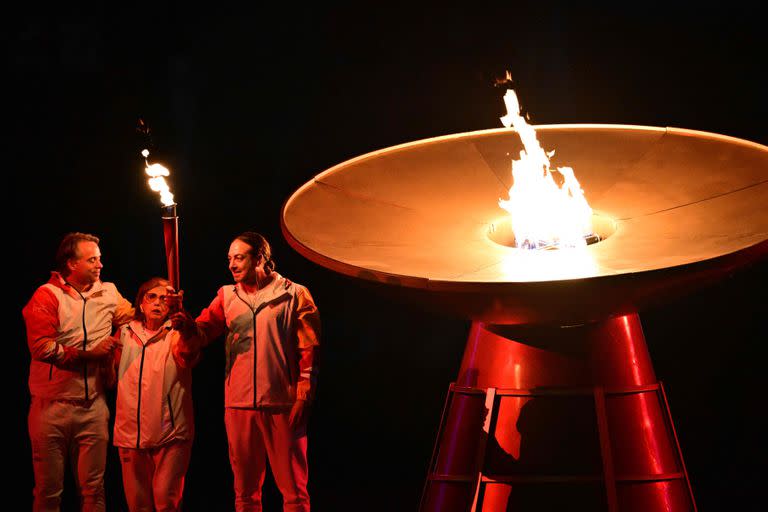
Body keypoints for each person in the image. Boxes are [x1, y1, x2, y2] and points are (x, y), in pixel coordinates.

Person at [173, 231, 320, 512]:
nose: (232, 264)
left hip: (282, 403)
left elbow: (309, 348)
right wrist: (188, 326)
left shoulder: (294, 293)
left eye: (239, 257)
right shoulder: (227, 296)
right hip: (238, 403)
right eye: (229, 259)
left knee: (294, 492)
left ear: (260, 259)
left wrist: (303, 395)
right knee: (245, 492)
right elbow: (203, 332)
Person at [23, 232, 134, 512]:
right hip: (51, 408)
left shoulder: (108, 292)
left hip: (93, 407)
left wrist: (114, 352)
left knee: (94, 490)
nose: (100, 265)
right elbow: (41, 348)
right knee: (49, 493)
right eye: (92, 260)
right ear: (71, 264)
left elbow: (135, 321)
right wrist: (90, 355)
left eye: (100, 259)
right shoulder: (47, 295)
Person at [112, 277, 198, 512]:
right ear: (141, 304)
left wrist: (187, 329)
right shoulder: (124, 334)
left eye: (164, 298)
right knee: (138, 506)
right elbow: (109, 375)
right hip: (130, 434)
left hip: (170, 433)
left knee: (166, 502)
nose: (157, 303)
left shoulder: (177, 334)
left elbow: (190, 354)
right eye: (152, 297)